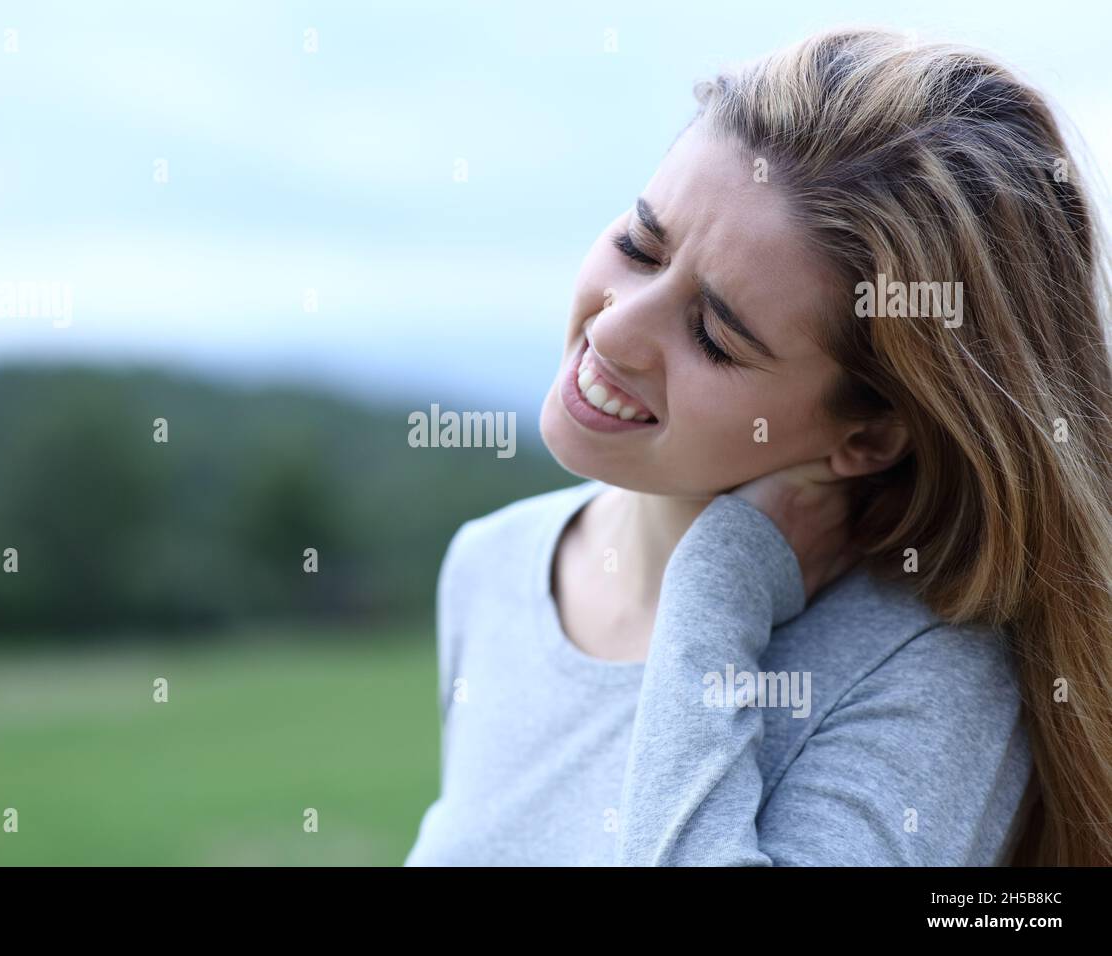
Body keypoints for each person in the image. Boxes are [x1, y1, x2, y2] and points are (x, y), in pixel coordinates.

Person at [404, 27, 1112, 866]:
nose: (616, 328)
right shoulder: (490, 566)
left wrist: (718, 586)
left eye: (713, 336)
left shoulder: (925, 669)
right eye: (639, 246)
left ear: (871, 434)